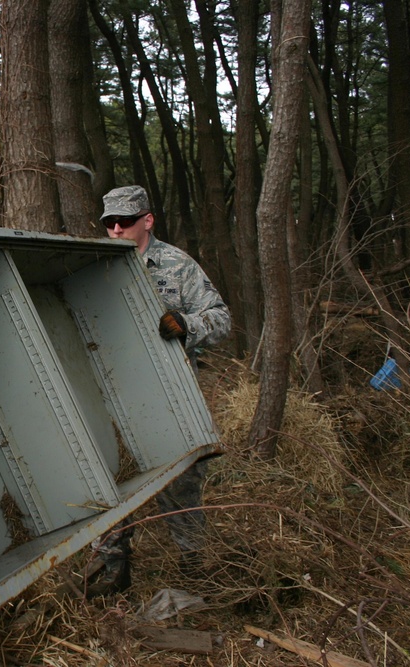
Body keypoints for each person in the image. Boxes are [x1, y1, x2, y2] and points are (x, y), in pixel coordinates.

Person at [94, 185, 231, 588]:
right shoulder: (96, 265)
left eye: (125, 221)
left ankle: (193, 572)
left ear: (147, 221)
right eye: (109, 223)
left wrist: (187, 326)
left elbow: (221, 319)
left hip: (170, 398)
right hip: (112, 398)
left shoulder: (176, 265)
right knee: (111, 484)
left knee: (181, 484)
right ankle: (110, 570)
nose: (116, 229)